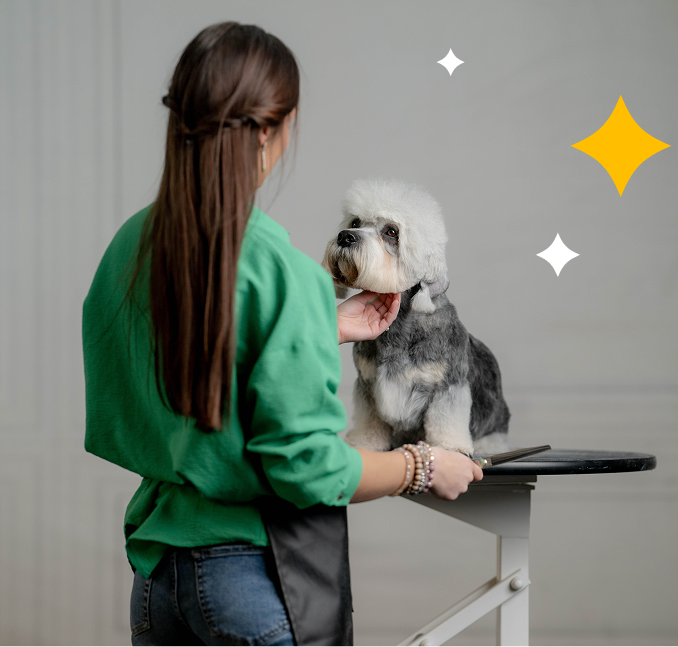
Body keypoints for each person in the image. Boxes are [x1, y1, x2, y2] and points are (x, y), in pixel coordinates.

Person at [82, 21, 483, 647]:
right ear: (271, 130)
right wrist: (421, 463)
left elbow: (153, 391)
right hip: (251, 581)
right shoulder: (281, 270)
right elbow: (311, 471)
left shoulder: (130, 246)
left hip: (157, 584)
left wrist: (321, 326)